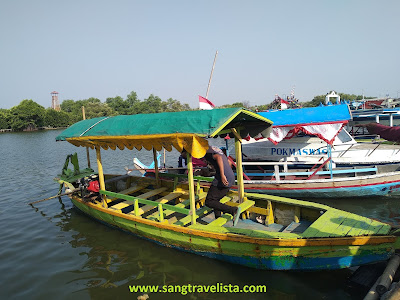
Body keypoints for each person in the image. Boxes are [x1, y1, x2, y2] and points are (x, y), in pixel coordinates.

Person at [202, 146, 240, 225]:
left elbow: (218, 157)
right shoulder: (214, 149)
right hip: (230, 176)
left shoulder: (206, 152)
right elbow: (227, 161)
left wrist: (222, 175)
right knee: (215, 200)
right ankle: (218, 219)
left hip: (223, 178)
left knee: (209, 201)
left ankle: (233, 210)